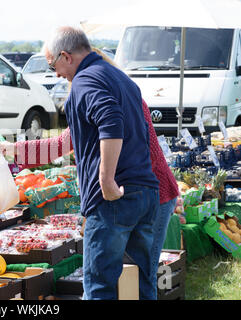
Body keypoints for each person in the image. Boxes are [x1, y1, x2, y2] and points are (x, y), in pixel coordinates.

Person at [0, 48, 180, 299]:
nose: (63, 78)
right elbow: (62, 144)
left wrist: (104, 179)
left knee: (136, 277)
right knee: (132, 277)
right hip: (142, 193)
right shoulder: (118, 91)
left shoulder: (106, 97)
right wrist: (14, 150)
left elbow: (88, 139)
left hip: (147, 193)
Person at [40, 26, 160, 300]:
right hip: (144, 192)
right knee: (142, 285)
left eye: (52, 65)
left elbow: (110, 120)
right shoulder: (119, 77)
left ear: (65, 56)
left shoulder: (84, 80)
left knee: (99, 288)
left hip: (114, 200)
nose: (56, 74)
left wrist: (105, 179)